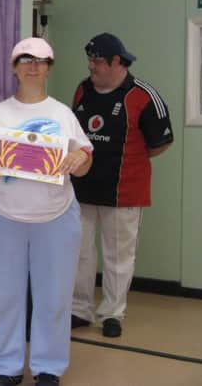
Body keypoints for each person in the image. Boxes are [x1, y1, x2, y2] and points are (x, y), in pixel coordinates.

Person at [0, 37, 93, 386]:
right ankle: (6, 368)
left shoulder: (62, 114)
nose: (33, 65)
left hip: (55, 217)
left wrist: (78, 159)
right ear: (14, 67)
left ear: (49, 68)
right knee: (1, 295)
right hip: (1, 215)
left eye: (41, 60)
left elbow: (85, 160)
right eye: (25, 59)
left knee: (53, 297)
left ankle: (48, 368)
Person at [70, 33, 173, 338]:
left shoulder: (143, 96)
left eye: (97, 60)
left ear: (117, 62)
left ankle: (113, 313)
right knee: (79, 253)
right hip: (82, 189)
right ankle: (80, 309)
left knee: (118, 257)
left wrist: (127, 160)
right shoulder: (82, 90)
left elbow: (159, 145)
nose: (91, 66)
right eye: (89, 59)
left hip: (124, 191)